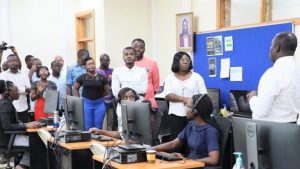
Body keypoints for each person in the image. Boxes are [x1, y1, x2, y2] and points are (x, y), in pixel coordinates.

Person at [247, 32, 300, 123]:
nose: (270, 49)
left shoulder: (273, 74)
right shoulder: (297, 71)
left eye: (271, 46)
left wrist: (252, 98)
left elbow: (260, 111)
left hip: (273, 131)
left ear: (277, 48)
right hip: (293, 128)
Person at [153, 94, 219, 166]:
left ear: (195, 111)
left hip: (199, 166)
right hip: (189, 164)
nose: (185, 108)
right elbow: (174, 143)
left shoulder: (210, 131)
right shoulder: (191, 125)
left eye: (188, 106)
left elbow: (213, 159)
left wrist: (187, 160)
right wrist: (150, 148)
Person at [163, 51, 207, 153]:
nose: (186, 62)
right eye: (182, 60)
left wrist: (193, 102)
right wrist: (185, 99)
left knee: (192, 143)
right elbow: (167, 95)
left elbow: (204, 95)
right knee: (177, 145)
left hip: (194, 115)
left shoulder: (197, 77)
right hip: (175, 115)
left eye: (188, 60)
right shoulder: (170, 77)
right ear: (176, 62)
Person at [0, 80, 41, 169]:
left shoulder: (7, 103)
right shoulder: (5, 105)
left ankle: (21, 165)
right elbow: (7, 126)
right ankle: (21, 166)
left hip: (10, 137)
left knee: (35, 141)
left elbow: (13, 122)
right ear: (9, 93)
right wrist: (26, 126)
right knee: (37, 144)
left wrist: (26, 124)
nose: (19, 92)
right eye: (16, 90)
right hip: (7, 140)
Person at [74, 57, 109, 130]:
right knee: (87, 127)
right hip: (86, 104)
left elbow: (107, 91)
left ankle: (96, 141)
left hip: (99, 105)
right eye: (89, 64)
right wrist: (79, 100)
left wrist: (99, 97)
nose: (91, 65)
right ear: (85, 67)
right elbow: (76, 88)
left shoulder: (102, 77)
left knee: (98, 128)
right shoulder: (82, 77)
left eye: (93, 63)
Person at [0, 54, 31, 123]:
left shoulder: (24, 74)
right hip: (8, 109)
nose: (13, 62)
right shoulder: (3, 75)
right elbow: (5, 90)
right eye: (10, 61)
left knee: (24, 131)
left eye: (15, 60)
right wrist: (23, 89)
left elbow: (29, 90)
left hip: (23, 108)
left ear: (18, 62)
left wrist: (13, 89)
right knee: (10, 130)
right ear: (7, 63)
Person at [132, 38, 160, 109]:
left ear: (144, 49)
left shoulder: (152, 63)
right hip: (131, 101)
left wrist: (149, 95)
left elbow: (156, 84)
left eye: (141, 47)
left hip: (148, 101)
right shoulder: (126, 64)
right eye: (135, 47)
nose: (138, 49)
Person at [96, 53, 115, 130]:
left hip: (111, 100)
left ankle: (109, 137)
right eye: (106, 61)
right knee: (102, 121)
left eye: (109, 61)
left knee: (111, 120)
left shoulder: (112, 71)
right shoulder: (97, 71)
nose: (108, 63)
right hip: (100, 100)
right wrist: (107, 80)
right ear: (101, 61)